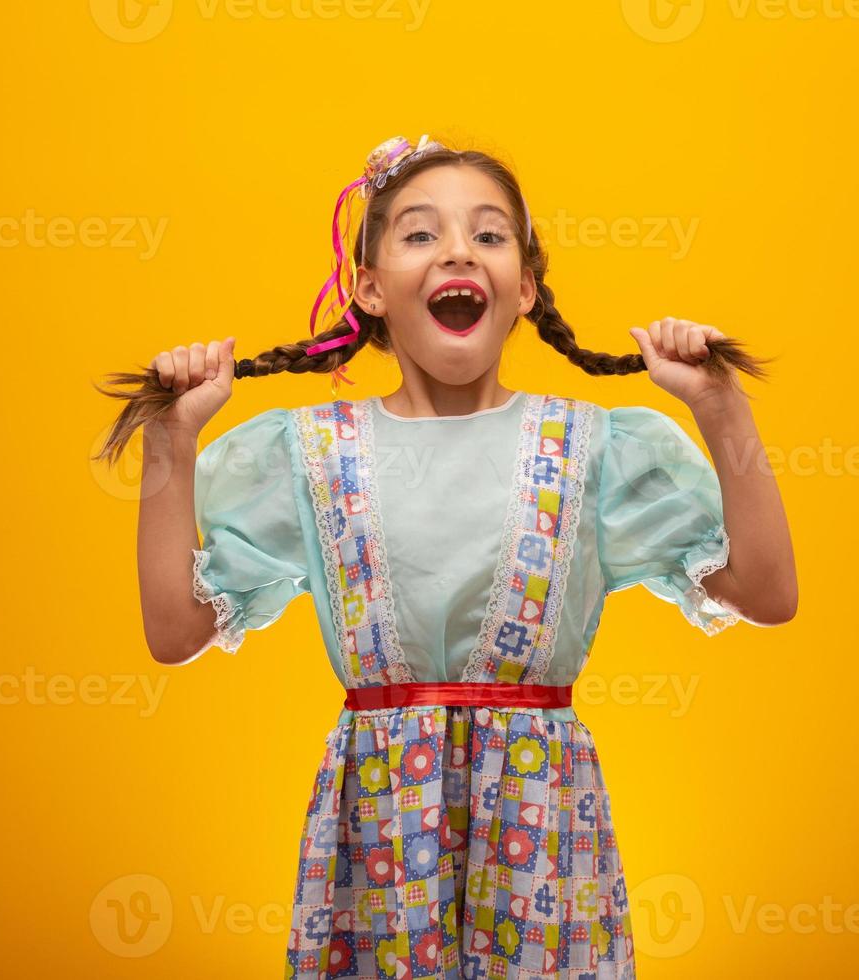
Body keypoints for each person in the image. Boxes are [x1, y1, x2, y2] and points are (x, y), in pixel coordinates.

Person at [94, 134, 798, 978]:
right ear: (369, 289)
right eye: (421, 234)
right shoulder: (310, 453)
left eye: (489, 235)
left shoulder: (594, 449)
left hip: (544, 836)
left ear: (526, 289)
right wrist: (172, 434)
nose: (458, 250)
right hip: (380, 838)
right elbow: (174, 630)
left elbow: (767, 591)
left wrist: (721, 409)